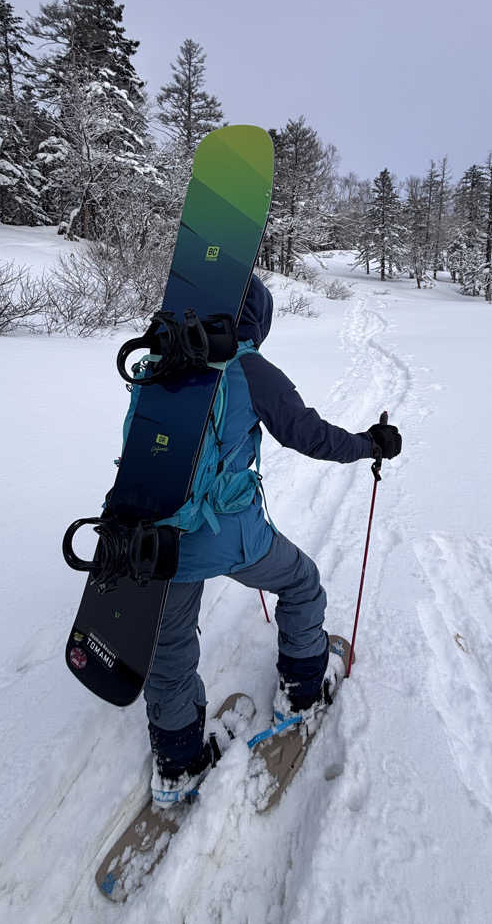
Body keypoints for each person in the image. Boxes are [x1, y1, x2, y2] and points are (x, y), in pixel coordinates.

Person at [146, 274, 402, 805]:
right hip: (226, 531)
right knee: (302, 583)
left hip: (156, 533)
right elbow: (309, 435)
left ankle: (176, 764)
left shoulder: (161, 360)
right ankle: (302, 690)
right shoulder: (249, 368)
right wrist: (369, 444)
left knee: (169, 645)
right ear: (256, 321)